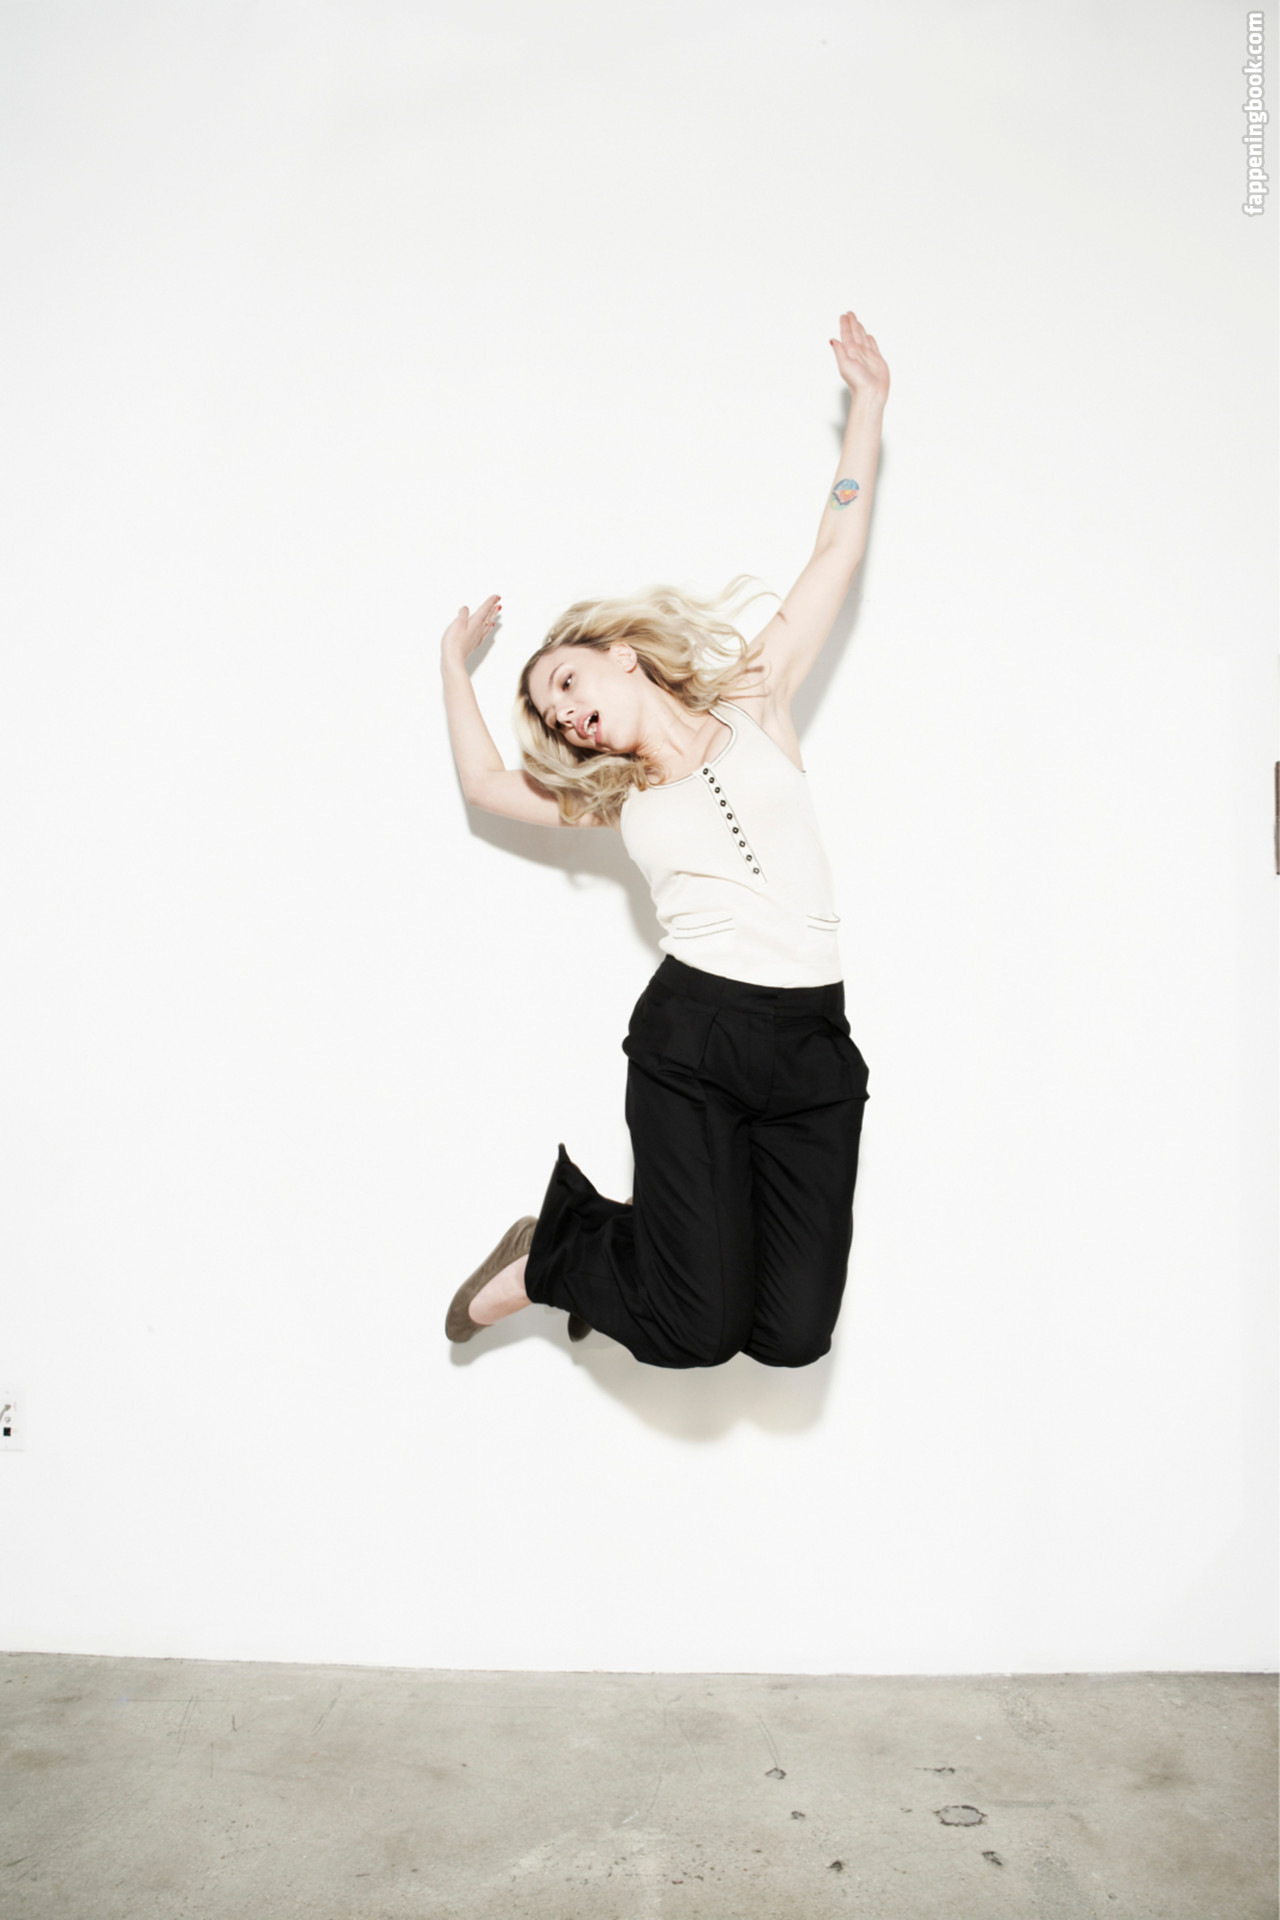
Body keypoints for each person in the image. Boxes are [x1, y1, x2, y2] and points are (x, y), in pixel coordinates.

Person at [440, 309, 888, 1369]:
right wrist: (451, 669)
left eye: (564, 683)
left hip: (813, 1042)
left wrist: (867, 406)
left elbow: (835, 547)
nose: (566, 717)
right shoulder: (618, 798)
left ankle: (583, 1244)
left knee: (791, 1336)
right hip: (696, 1038)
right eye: (554, 719)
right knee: (696, 1334)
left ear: (619, 655)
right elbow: (486, 786)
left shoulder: (755, 697)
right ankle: (550, 1254)